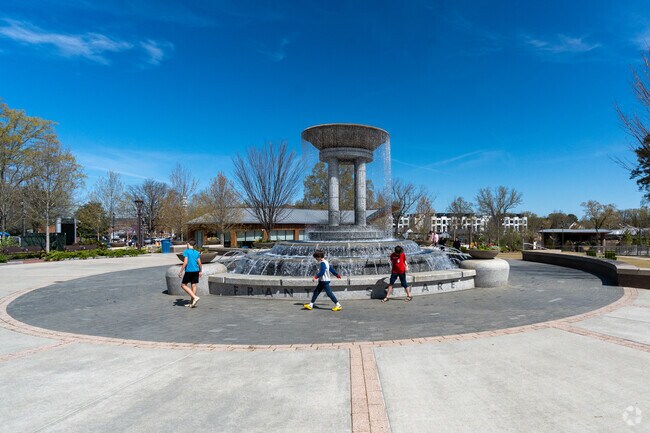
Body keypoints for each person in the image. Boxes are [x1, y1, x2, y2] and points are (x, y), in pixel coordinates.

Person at [178, 240, 202, 307]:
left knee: (183, 285)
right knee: (193, 285)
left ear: (188, 244)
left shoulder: (186, 251)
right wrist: (200, 271)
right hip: (196, 270)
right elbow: (199, 263)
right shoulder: (197, 252)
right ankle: (192, 303)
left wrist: (181, 271)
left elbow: (185, 262)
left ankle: (195, 297)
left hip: (189, 271)